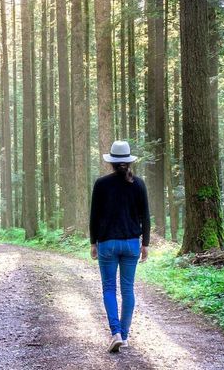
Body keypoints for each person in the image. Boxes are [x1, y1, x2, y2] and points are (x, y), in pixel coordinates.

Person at [89, 140, 150, 353]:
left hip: (107, 243)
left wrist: (93, 242)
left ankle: (115, 332)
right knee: (127, 290)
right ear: (129, 161)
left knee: (108, 289)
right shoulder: (139, 184)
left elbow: (94, 216)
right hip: (132, 243)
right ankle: (124, 336)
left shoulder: (101, 184)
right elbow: (146, 217)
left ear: (112, 162)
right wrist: (146, 244)